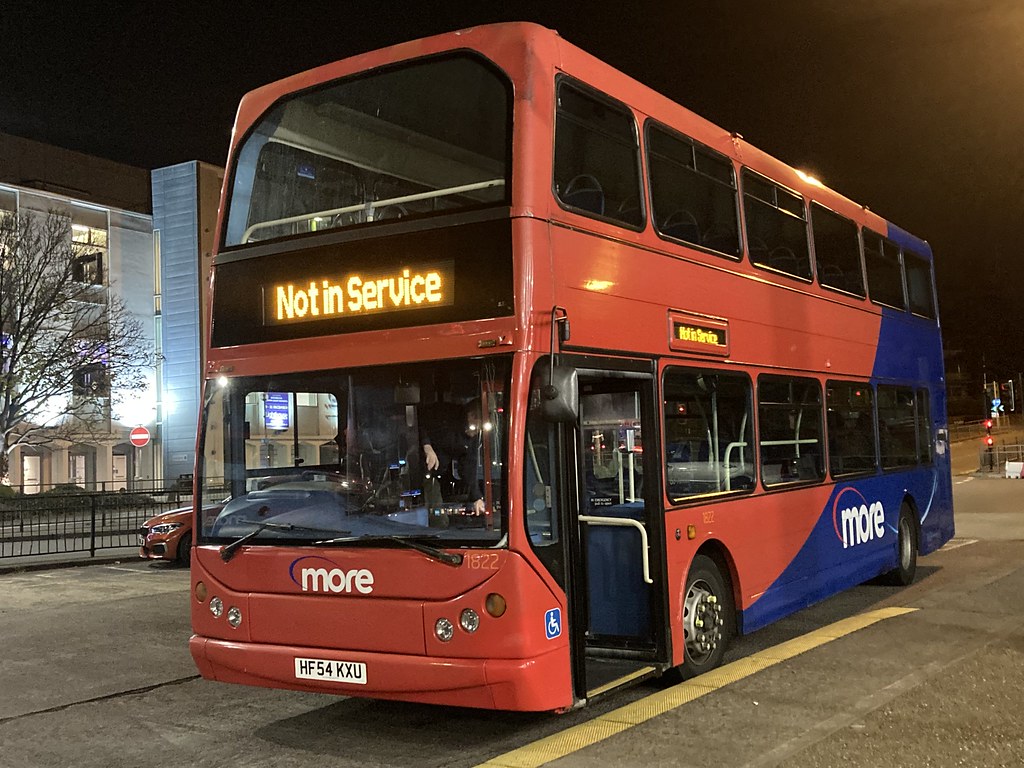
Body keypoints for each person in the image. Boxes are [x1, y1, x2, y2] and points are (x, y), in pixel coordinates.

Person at [421, 399, 486, 515]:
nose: (476, 429)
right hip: (417, 468)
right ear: (469, 415)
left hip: (437, 475)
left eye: (480, 428)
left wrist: (477, 498)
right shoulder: (446, 413)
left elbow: (469, 467)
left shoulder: (472, 438)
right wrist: (427, 445)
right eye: (475, 423)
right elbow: (420, 419)